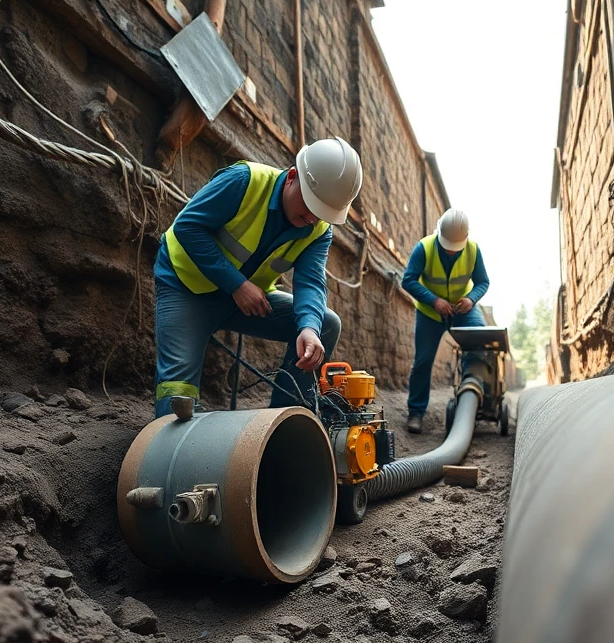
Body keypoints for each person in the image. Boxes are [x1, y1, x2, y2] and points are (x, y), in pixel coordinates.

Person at [152, 137, 363, 417]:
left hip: (244, 301)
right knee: (177, 396)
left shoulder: (319, 230)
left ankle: (283, 423)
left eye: (323, 212)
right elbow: (188, 228)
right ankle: (171, 450)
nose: (313, 217)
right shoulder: (243, 181)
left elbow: (310, 281)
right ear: (291, 177)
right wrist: (237, 284)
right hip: (186, 287)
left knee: (325, 323)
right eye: (311, 204)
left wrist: (309, 328)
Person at [400, 208, 490, 433]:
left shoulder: (473, 250)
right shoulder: (424, 248)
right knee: (423, 361)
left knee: (478, 340)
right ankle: (416, 413)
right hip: (430, 313)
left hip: (463, 309)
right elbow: (408, 280)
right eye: (447, 247)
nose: (451, 252)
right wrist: (433, 301)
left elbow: (483, 282)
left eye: (455, 248)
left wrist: (471, 298)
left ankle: (472, 390)